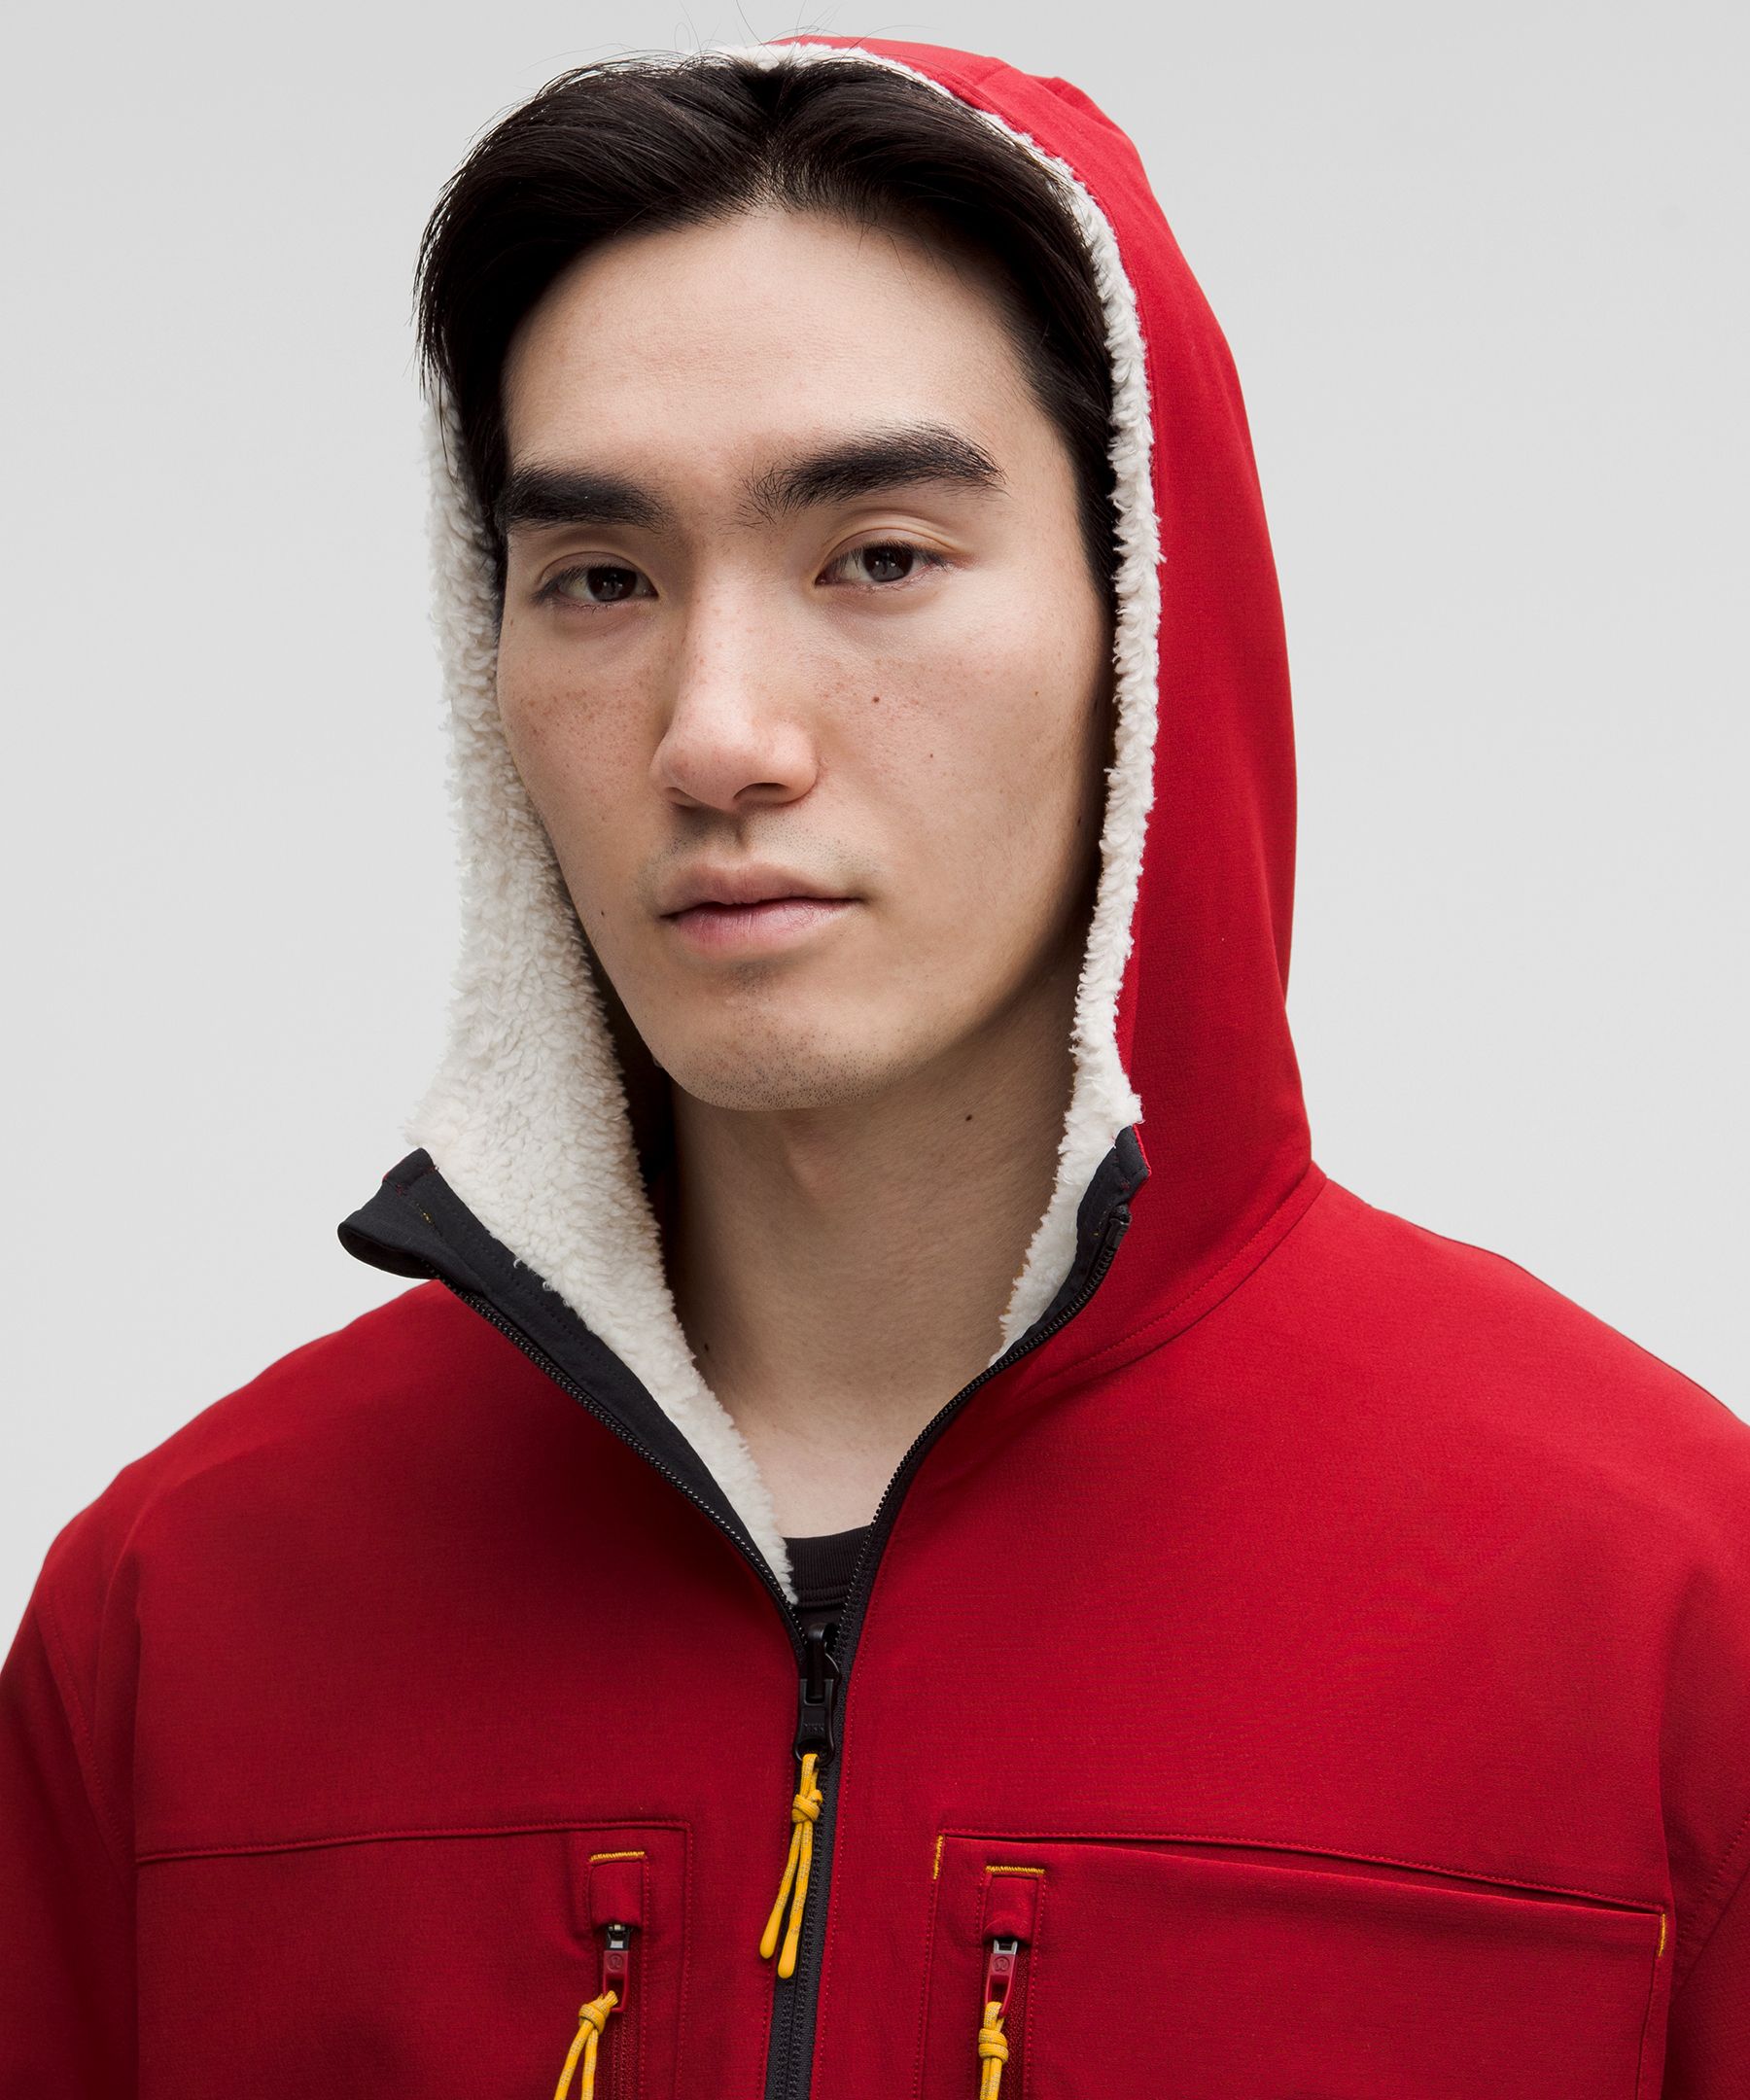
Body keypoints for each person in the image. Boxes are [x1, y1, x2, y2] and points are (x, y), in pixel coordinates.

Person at [1, 32, 1743, 2098]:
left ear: (1147, 623)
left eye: (880, 558)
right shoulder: (179, 1621)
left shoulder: (1663, 1611)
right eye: (601, 580)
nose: (716, 735)